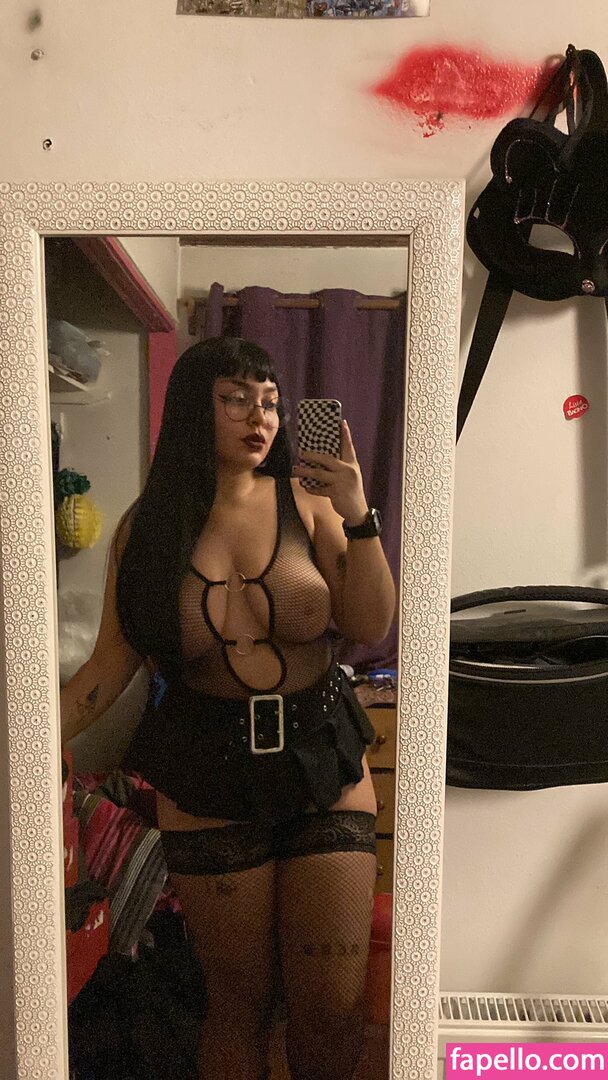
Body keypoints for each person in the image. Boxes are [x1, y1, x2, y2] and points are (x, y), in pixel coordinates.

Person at [61, 337, 396, 1080]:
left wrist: (358, 513)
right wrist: (30, 743)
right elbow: (107, 667)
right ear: (193, 407)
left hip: (321, 756)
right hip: (204, 767)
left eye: (270, 401)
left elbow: (371, 623)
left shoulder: (311, 503)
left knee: (331, 1007)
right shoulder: (146, 529)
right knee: (237, 1005)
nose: (261, 416)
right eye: (236, 398)